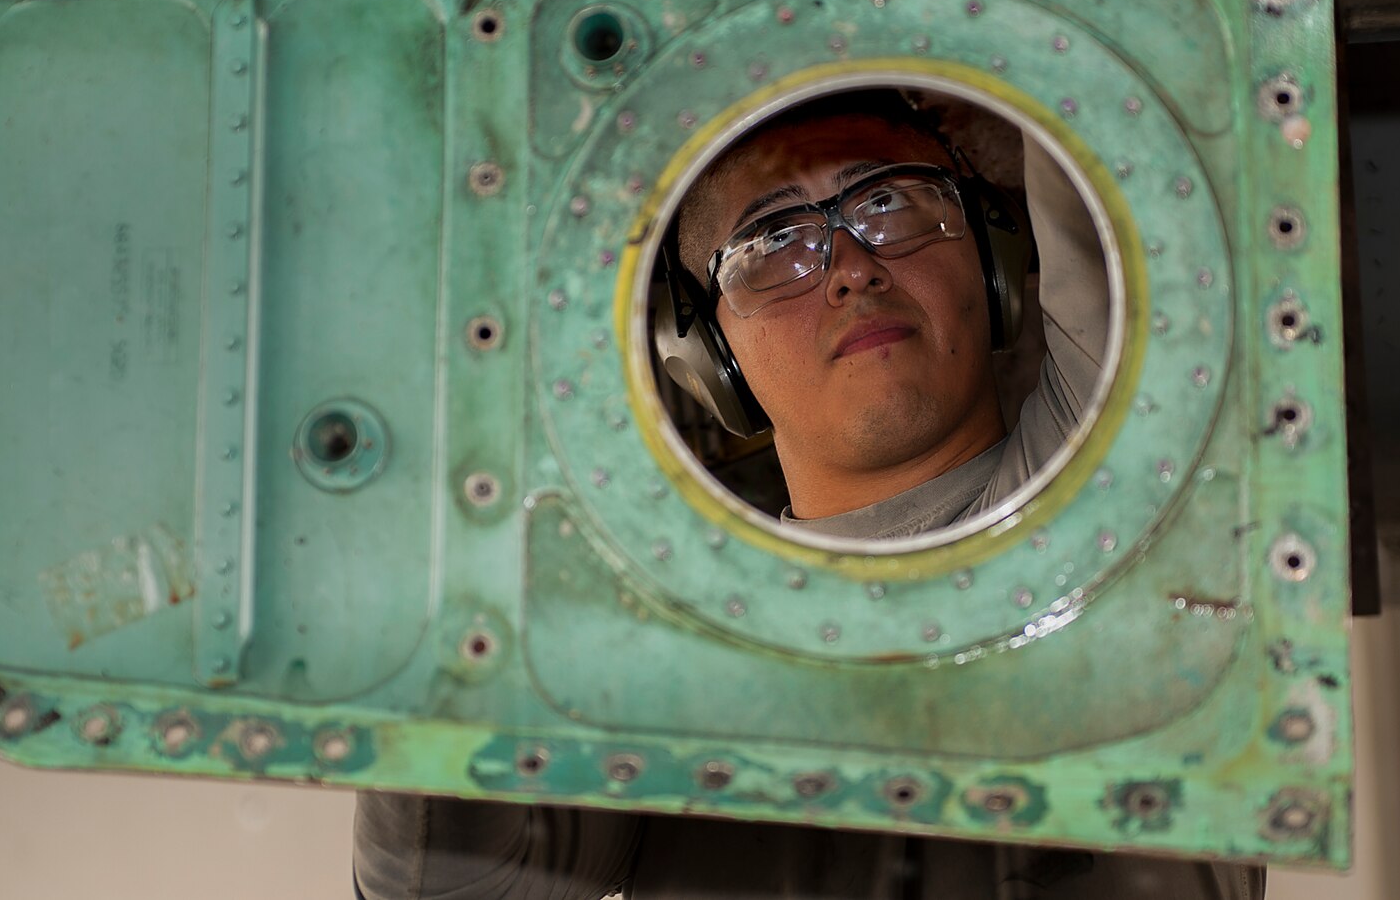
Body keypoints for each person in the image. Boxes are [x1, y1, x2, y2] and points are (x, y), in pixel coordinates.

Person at [353, 91, 1264, 899]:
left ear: (993, 266)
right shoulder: (659, 660)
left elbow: (1135, 111)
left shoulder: (1129, 480)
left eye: (890, 202)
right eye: (771, 243)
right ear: (710, 354)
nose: (852, 267)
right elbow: (448, 883)